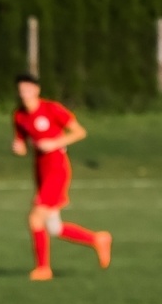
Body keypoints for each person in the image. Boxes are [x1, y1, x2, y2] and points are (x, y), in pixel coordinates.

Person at [11, 73, 110, 282]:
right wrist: (18, 147)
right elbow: (21, 143)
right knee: (54, 227)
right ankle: (97, 239)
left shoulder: (51, 109)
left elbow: (80, 132)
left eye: (28, 89)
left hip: (57, 169)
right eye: (21, 90)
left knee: (35, 218)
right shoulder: (19, 116)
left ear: (37, 90)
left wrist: (54, 143)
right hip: (39, 171)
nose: (25, 94)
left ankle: (43, 269)